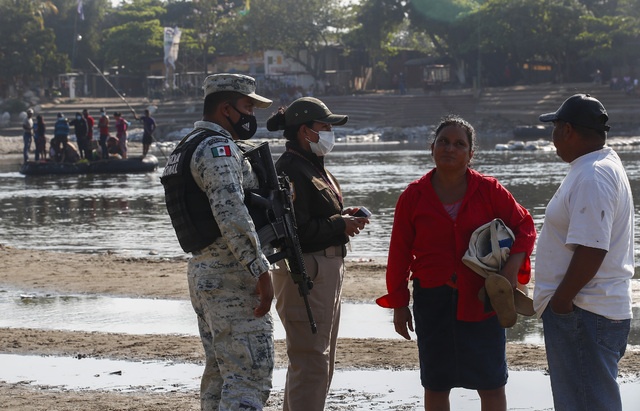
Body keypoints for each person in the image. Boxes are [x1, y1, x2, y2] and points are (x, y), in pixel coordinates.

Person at [376, 115, 536, 411]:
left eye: (459, 144)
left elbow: (525, 225)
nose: (450, 148)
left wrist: (511, 269)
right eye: (444, 142)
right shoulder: (413, 196)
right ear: (432, 148)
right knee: (436, 383)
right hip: (433, 301)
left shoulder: (489, 190)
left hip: (484, 298)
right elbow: (398, 253)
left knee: (490, 383)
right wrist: (399, 304)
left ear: (471, 154)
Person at [160, 73, 275, 410]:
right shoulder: (217, 148)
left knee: (221, 375)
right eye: (247, 107)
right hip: (232, 273)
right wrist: (260, 270)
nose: (251, 116)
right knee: (249, 373)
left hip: (204, 271)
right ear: (226, 109)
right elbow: (231, 214)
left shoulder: (187, 146)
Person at [266, 97, 370, 411]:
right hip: (306, 271)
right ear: (304, 131)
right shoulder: (289, 169)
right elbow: (297, 230)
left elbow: (314, 217)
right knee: (311, 361)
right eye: (324, 127)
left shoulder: (310, 165)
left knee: (319, 362)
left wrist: (343, 218)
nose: (329, 133)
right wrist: (341, 224)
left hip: (323, 269)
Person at [534, 94, 634, 411]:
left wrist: (562, 303)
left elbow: (592, 248)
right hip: (590, 310)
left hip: (585, 311)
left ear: (567, 130)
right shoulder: (598, 167)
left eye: (554, 128)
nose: (552, 139)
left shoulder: (594, 174)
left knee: (588, 405)